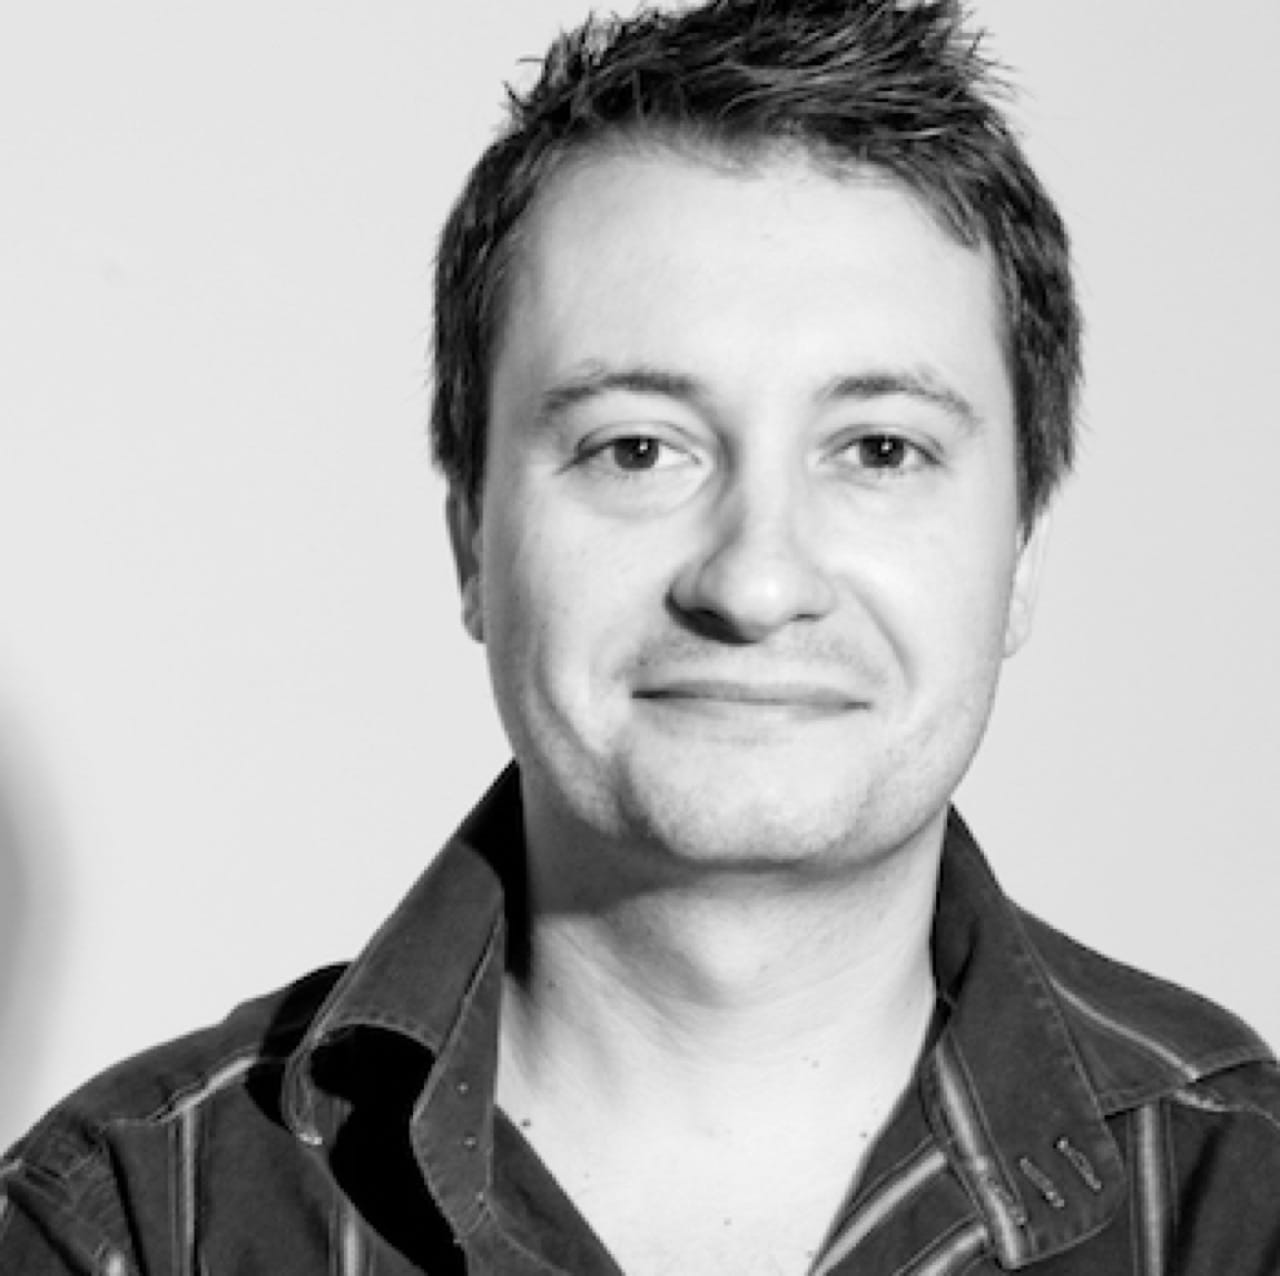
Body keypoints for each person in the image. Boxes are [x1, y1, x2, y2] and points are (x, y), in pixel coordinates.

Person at [3, 0, 1278, 1271]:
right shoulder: (129, 1225)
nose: (754, 581)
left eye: (879, 449)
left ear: (1023, 550)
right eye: (635, 449)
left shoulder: (1240, 1200)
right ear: (472, 540)